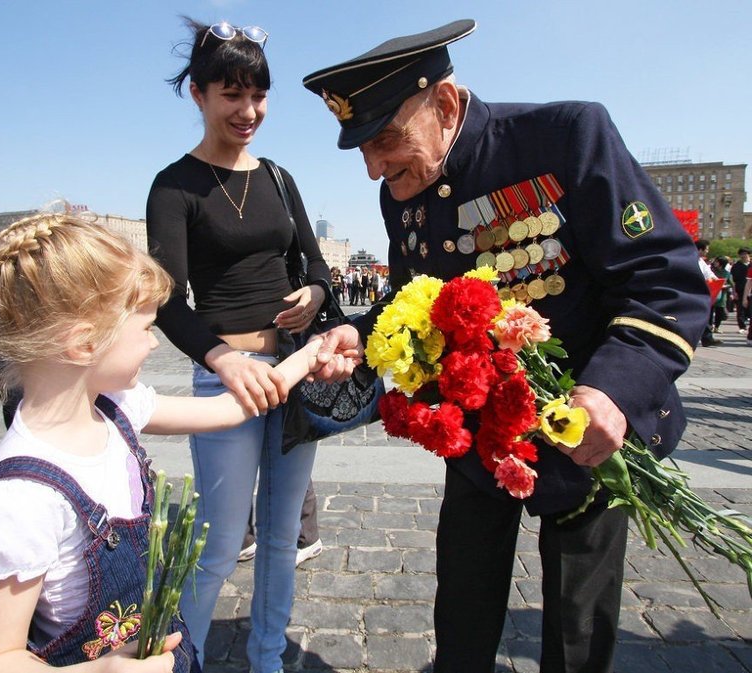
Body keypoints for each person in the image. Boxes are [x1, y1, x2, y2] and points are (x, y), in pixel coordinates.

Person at [302, 19, 710, 673]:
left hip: (586, 440)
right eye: (362, 150)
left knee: (576, 635)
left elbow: (665, 282)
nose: (375, 167)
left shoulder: (565, 137)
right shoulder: (400, 193)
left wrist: (611, 390)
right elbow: (421, 293)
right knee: (460, 617)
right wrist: (363, 325)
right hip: (478, 442)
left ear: (444, 104)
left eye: (384, 139)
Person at [0, 213, 325, 672]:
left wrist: (310, 355)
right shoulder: (18, 501)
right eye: (147, 329)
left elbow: (229, 409)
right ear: (84, 344)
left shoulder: (117, 406)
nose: (152, 345)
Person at [144, 19, 330, 673]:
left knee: (282, 537)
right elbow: (167, 298)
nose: (248, 110)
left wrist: (312, 290)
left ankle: (267, 657)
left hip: (296, 368)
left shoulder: (279, 176)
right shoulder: (175, 185)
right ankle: (179, 661)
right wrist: (221, 358)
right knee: (219, 542)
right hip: (228, 376)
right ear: (199, 94)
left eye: (258, 94)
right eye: (232, 94)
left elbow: (316, 265)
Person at [695, 239, 722, 346]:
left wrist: (717, 281)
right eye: (706, 250)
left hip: (698, 293)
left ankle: (707, 338)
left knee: (702, 315)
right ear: (700, 249)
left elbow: (709, 274)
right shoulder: (688, 259)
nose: (707, 252)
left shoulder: (701, 261)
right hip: (689, 292)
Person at [709, 256, 733, 334]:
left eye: (717, 261)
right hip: (712, 293)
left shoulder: (726, 273)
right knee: (710, 311)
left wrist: (724, 286)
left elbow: (731, 284)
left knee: (719, 311)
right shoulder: (711, 271)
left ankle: (717, 327)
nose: (715, 262)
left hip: (722, 294)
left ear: (721, 263)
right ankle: (709, 327)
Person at [730, 247, 751, 332]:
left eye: (745, 254)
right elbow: (733, 280)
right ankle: (742, 326)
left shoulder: (751, 265)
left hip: (751, 290)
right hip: (740, 289)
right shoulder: (736, 266)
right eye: (741, 254)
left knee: (750, 309)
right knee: (740, 309)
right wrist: (734, 292)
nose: (743, 256)